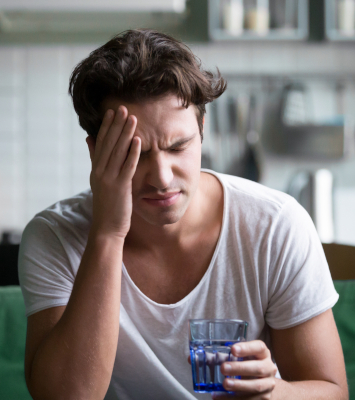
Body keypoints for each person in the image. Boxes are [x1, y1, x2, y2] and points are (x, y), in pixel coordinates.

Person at [18, 29, 348, 400]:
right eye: (136, 153)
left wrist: (274, 393)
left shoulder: (275, 225)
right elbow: (68, 396)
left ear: (202, 130)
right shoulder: (55, 236)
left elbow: (332, 391)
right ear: (96, 153)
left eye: (179, 146)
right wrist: (108, 233)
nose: (161, 177)